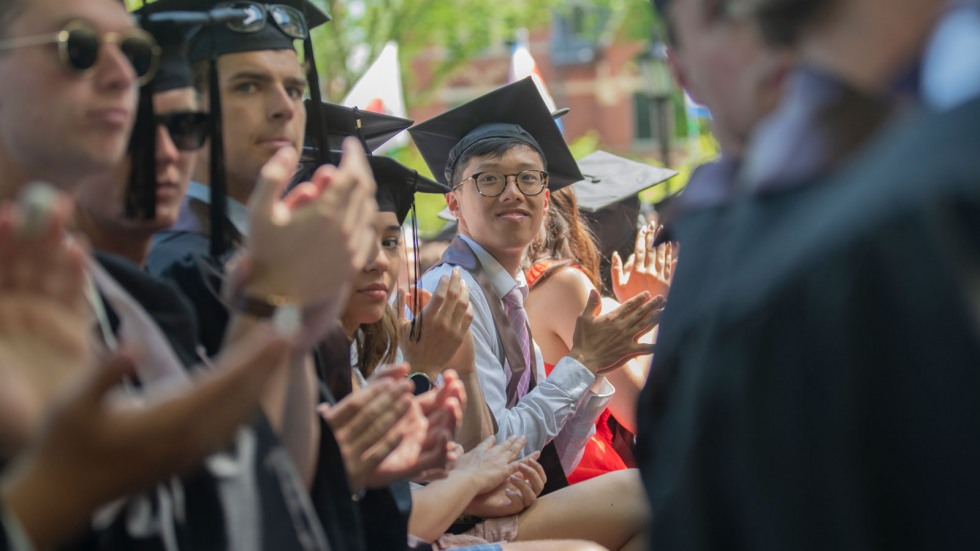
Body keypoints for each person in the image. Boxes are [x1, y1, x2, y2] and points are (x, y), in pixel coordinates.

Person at [638, 0, 980, 548]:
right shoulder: (736, 258)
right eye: (720, 12)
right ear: (681, 71)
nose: (753, 28)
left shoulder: (918, 196)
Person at [336, 154, 647, 551]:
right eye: (490, 180)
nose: (513, 194)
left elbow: (528, 463)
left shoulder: (511, 296)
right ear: (454, 203)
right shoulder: (450, 293)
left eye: (390, 241)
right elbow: (492, 451)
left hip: (450, 509)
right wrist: (581, 365)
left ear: (547, 199)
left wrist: (592, 367)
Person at [524, 151, 675, 484]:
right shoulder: (562, 285)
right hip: (583, 478)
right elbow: (642, 411)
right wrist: (653, 307)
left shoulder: (507, 289)